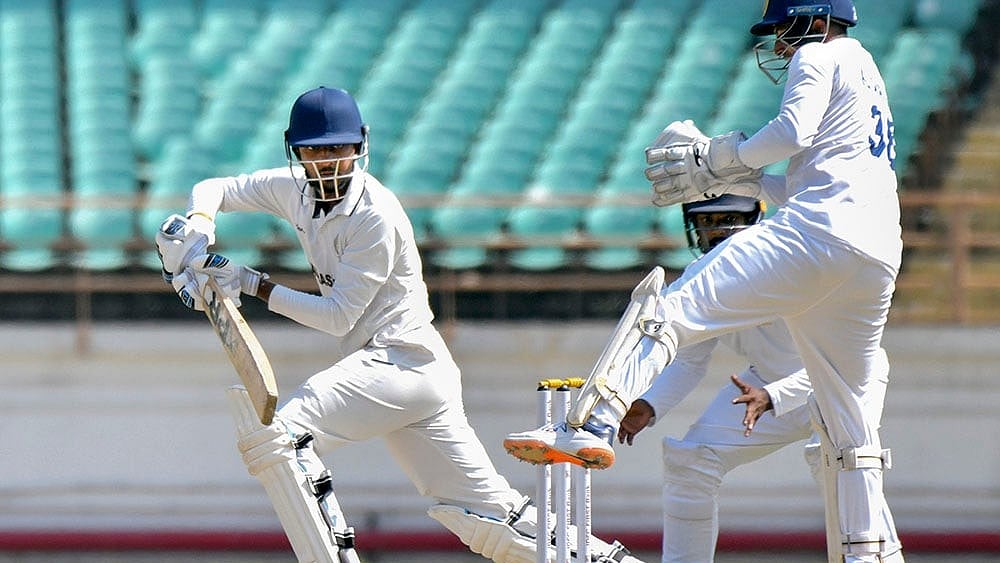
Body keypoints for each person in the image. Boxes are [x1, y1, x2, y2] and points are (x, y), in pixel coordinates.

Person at [154, 86, 639, 563]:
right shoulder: (293, 191)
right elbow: (218, 187)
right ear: (295, 151)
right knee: (486, 517)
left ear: (359, 147)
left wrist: (253, 284)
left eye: (337, 149)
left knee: (282, 437)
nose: (325, 162)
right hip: (409, 373)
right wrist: (201, 221)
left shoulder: (374, 215)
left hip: (397, 362)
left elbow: (337, 316)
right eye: (313, 151)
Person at [504, 1, 905, 561]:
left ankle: (589, 424)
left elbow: (792, 130)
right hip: (877, 250)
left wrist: (721, 157)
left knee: (670, 309)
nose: (780, 47)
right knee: (849, 434)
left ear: (814, 20)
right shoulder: (866, 70)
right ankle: (872, 556)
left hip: (819, 234)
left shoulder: (816, 52)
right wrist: (745, 172)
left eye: (784, 31)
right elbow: (808, 176)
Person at [614, 195, 901, 562]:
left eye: (728, 218)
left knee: (835, 458)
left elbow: (835, 362)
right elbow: (687, 361)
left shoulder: (795, 263)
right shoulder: (702, 280)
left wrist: (773, 396)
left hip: (844, 380)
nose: (717, 230)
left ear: (755, 219)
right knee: (691, 463)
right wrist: (647, 404)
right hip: (761, 391)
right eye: (707, 221)